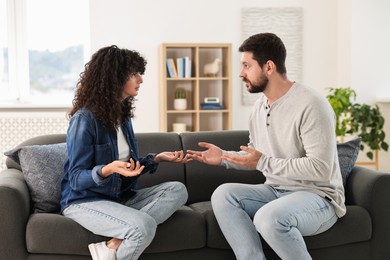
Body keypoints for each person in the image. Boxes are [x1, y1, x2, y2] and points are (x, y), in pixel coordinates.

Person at [186, 33, 345, 260]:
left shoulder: (311, 104)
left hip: (317, 197)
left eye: (246, 66)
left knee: (267, 217)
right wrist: (224, 157)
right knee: (224, 194)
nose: (241, 73)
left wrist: (263, 162)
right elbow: (256, 156)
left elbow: (320, 168)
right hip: (276, 191)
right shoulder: (259, 107)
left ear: (268, 67)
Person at [61, 45, 189, 260]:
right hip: (85, 201)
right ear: (115, 78)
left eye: (140, 73)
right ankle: (126, 234)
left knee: (178, 189)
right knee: (143, 225)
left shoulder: (122, 117)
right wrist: (106, 170)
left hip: (119, 198)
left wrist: (155, 159)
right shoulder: (84, 120)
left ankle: (114, 244)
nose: (140, 79)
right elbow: (75, 178)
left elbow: (127, 167)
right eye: (134, 74)